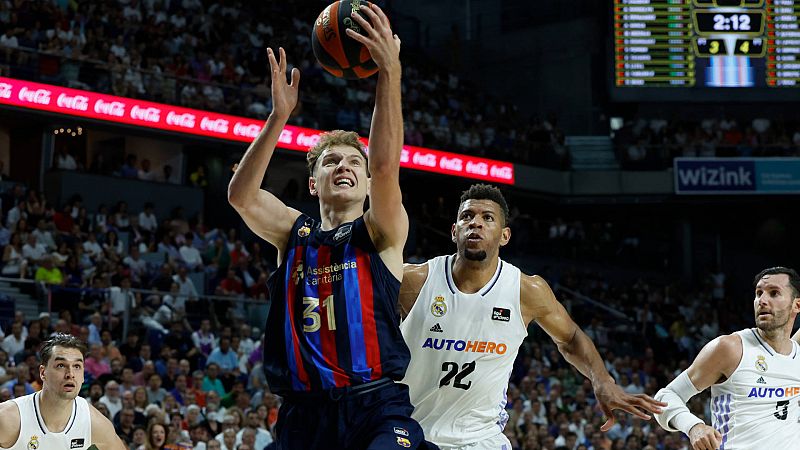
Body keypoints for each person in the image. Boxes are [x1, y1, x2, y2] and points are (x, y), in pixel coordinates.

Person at [227, 5, 434, 449]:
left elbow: (384, 165)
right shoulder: (292, 234)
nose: (344, 166)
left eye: (353, 161)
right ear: (312, 182)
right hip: (304, 415)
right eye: (331, 161)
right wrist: (278, 117)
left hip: (375, 406)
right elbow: (241, 196)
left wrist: (389, 74)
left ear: (365, 181)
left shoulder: (381, 230)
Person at [399, 184, 665, 449]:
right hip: (412, 431)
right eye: (467, 216)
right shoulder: (413, 281)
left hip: (480, 439)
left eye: (487, 218)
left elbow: (570, 337)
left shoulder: (526, 290)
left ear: (505, 236)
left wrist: (602, 381)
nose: (476, 223)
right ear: (454, 231)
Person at [656, 267, 800, 450]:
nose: (762, 301)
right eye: (758, 293)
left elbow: (782, 360)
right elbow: (666, 396)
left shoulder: (796, 356)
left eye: (774, 293)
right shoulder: (730, 348)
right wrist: (694, 427)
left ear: (797, 305)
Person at [0, 333, 126, 450]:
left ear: (82, 375)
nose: (70, 374)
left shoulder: (92, 421)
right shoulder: (9, 418)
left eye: (77, 366)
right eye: (61, 365)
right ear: (43, 373)